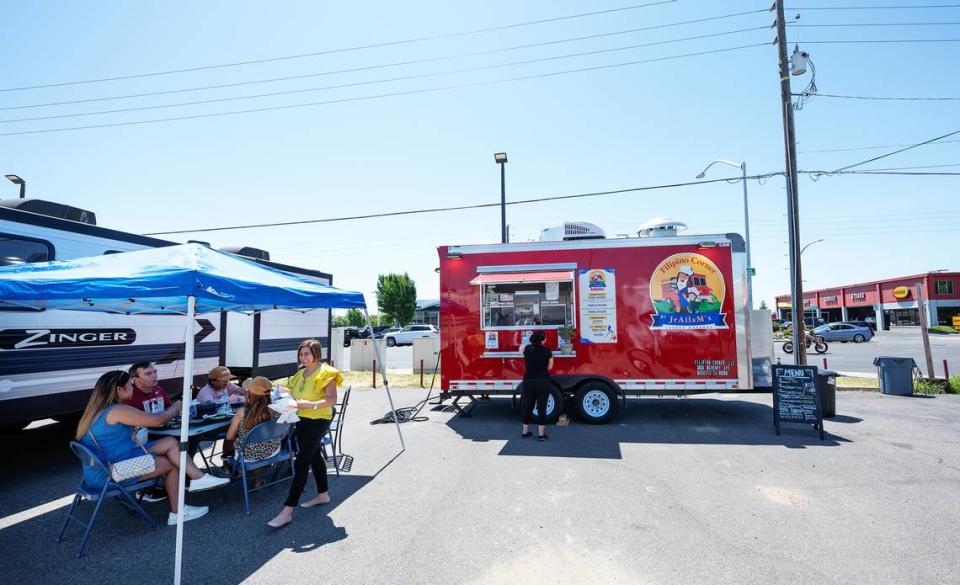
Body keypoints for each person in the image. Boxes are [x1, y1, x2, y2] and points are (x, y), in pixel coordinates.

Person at [76, 370, 230, 526]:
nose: (132, 388)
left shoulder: (97, 411)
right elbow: (158, 420)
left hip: (101, 469)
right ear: (118, 390)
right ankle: (178, 513)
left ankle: (198, 478)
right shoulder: (117, 410)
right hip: (110, 473)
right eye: (129, 386)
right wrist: (175, 408)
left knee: (170, 441)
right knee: (172, 464)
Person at [267, 339, 340, 529]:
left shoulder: (326, 373)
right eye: (301, 354)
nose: (303, 357)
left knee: (302, 461)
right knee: (314, 455)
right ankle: (323, 495)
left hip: (320, 419)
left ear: (316, 354)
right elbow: (290, 391)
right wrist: (276, 393)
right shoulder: (300, 373)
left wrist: (312, 404)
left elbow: (332, 399)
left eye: (307, 353)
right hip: (302, 418)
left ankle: (287, 511)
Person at [223, 377, 282, 487]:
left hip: (248, 456)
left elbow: (229, 437)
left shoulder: (242, 413)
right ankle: (257, 479)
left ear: (250, 393)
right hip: (273, 451)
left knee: (234, 441)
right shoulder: (276, 409)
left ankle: (227, 466)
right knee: (256, 442)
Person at [520, 330, 554, 442]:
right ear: (543, 340)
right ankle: (541, 435)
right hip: (543, 380)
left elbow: (521, 349)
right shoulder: (547, 351)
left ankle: (525, 432)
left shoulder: (526, 349)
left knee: (528, 406)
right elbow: (550, 367)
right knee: (542, 407)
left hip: (529, 380)